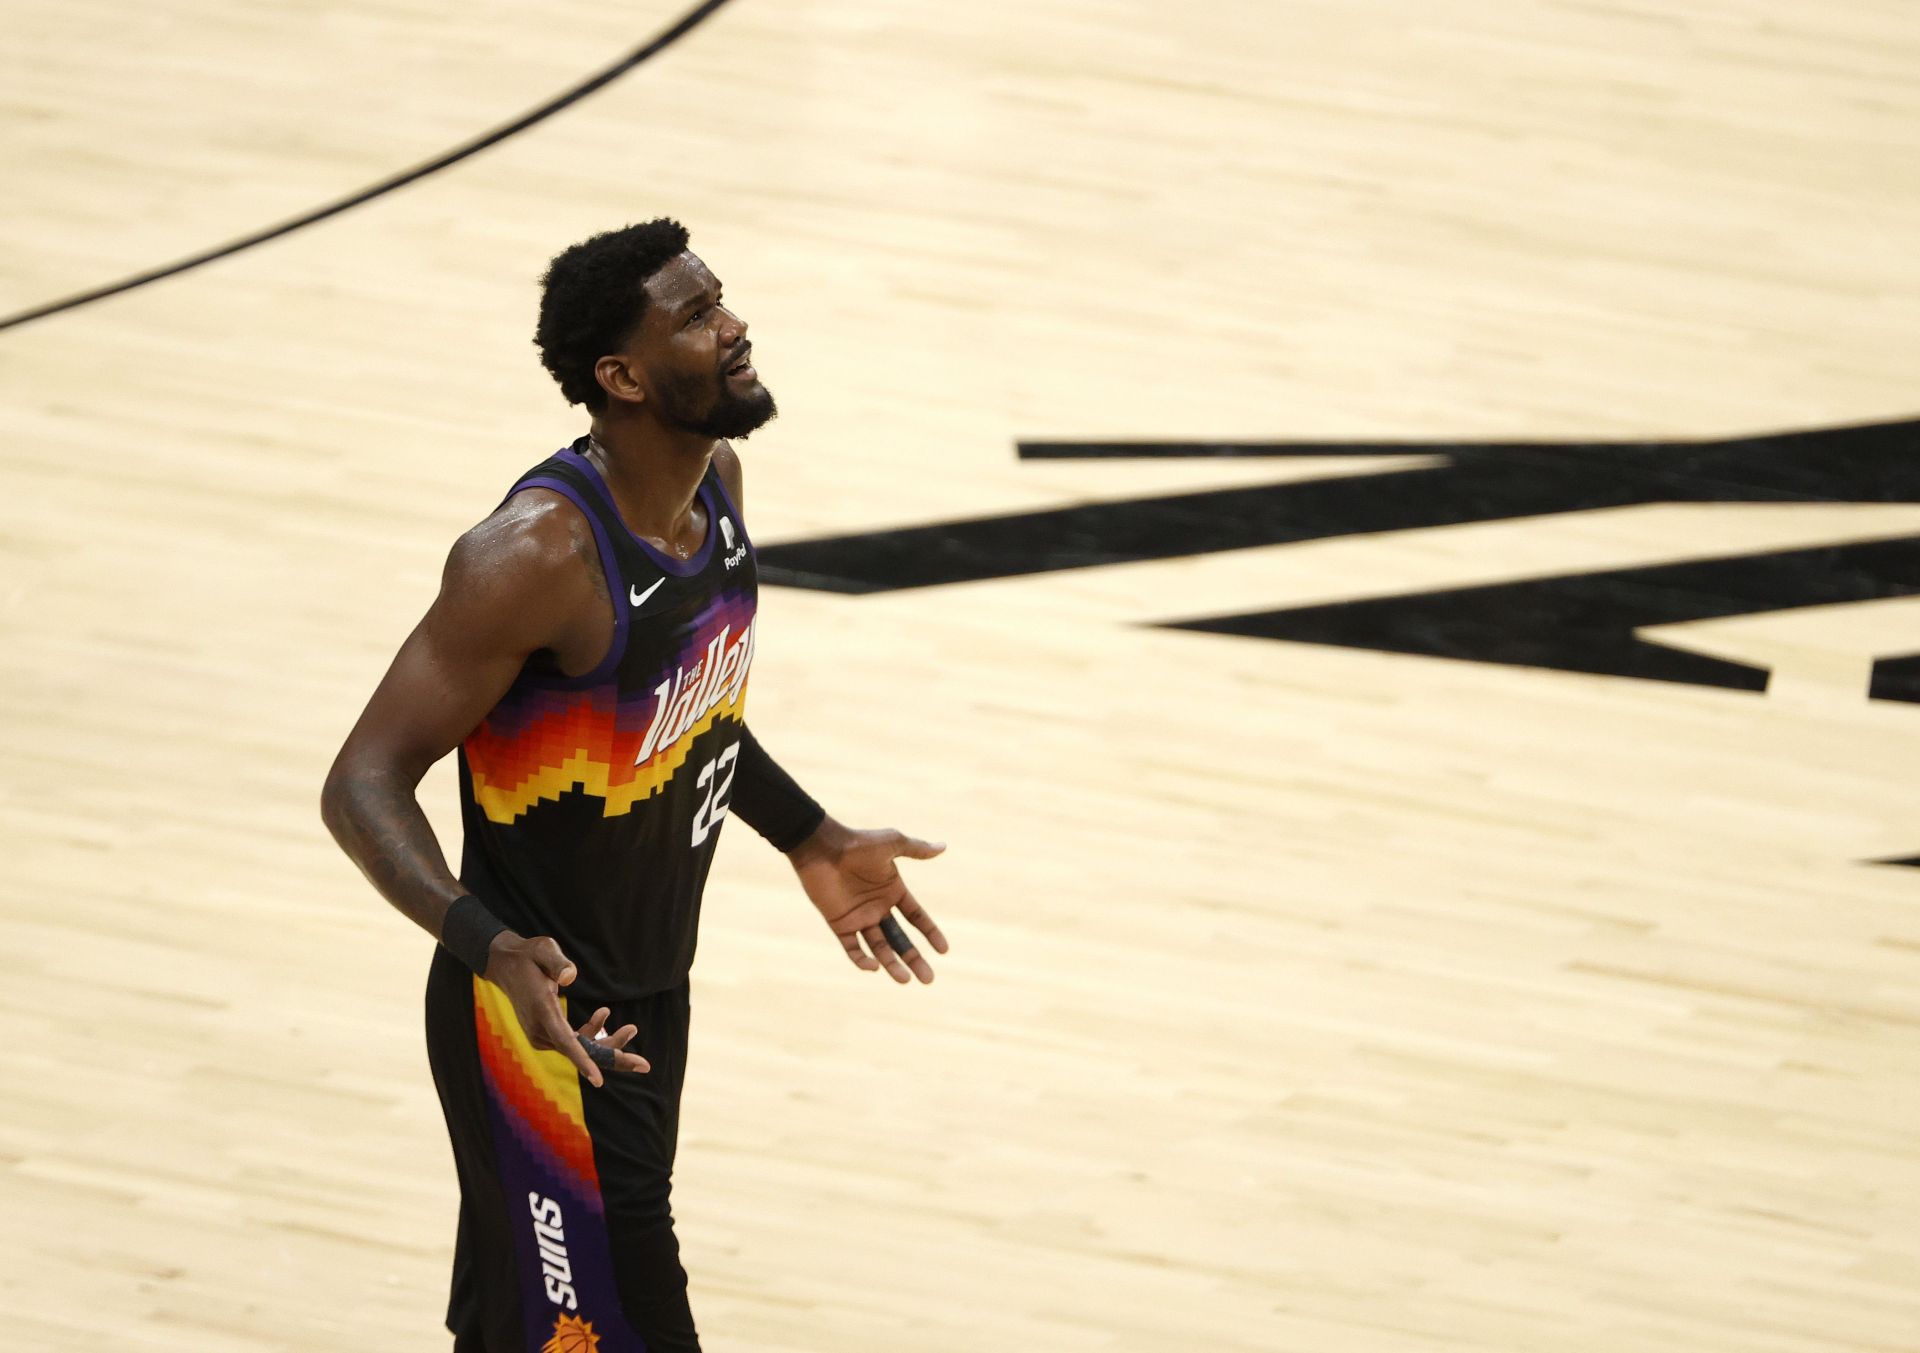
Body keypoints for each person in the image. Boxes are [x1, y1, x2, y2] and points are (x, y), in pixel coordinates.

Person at [321, 218, 948, 1352]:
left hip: (654, 988)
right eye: (698, 316)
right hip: (541, 1020)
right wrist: (486, 942)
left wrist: (809, 836)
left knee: (525, 1326)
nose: (735, 325)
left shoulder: (718, 489)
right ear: (619, 376)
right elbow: (361, 782)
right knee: (626, 1321)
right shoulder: (533, 558)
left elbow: (679, 719)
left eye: (722, 300)